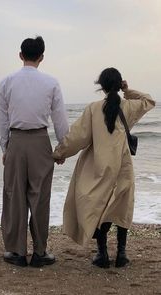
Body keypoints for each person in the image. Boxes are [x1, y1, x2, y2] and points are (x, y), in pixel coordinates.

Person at [53, 68, 155, 268]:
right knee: (121, 207)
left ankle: (102, 253)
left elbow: (78, 137)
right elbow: (149, 101)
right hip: (123, 166)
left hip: (99, 166)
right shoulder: (127, 107)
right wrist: (128, 90)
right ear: (119, 84)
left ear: (101, 86)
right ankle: (122, 254)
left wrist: (59, 153)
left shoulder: (93, 108)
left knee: (98, 206)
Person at [0, 36, 69, 267]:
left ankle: (17, 252)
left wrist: (5, 147)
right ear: (41, 57)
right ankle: (40, 252)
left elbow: (3, 119)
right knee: (40, 198)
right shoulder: (51, 83)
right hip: (40, 140)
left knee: (14, 196)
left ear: (20, 55)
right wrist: (62, 149)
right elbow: (60, 119)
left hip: (17, 140)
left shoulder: (6, 82)